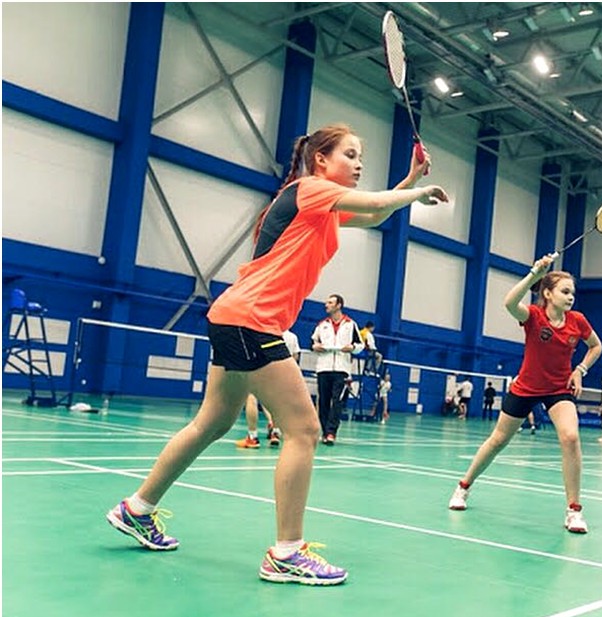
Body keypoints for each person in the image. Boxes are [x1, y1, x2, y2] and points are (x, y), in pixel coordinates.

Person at [104, 124, 447, 586]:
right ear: (321, 160)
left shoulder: (322, 207)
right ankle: (286, 553)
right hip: (253, 320)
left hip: (233, 316)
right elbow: (375, 203)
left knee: (211, 423)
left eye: (360, 156)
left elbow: (374, 215)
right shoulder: (310, 189)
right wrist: (416, 191)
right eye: (350, 154)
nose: (359, 163)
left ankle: (137, 509)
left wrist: (408, 182)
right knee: (304, 430)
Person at [448, 255, 602, 533]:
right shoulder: (534, 316)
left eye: (572, 293)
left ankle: (574, 510)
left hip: (559, 389)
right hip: (527, 387)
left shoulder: (577, 321)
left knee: (570, 438)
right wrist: (534, 274)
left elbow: (596, 346)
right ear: (548, 293)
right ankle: (463, 487)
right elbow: (509, 303)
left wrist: (580, 369)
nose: (571, 297)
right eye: (565, 291)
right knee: (498, 440)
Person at [312, 294, 364, 446]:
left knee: (337, 401)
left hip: (342, 370)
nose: (326, 305)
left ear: (339, 305)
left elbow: (360, 345)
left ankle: (331, 432)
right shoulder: (322, 325)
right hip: (323, 368)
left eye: (330, 302)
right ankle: (324, 431)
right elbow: (313, 342)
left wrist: (352, 348)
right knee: (323, 401)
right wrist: (315, 347)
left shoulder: (350, 324)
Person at [236, 329, 301, 449]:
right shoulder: (292, 336)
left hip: (260, 368)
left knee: (251, 397)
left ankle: (252, 437)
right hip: (282, 372)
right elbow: (295, 357)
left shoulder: (261, 331)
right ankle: (275, 432)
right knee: (275, 402)